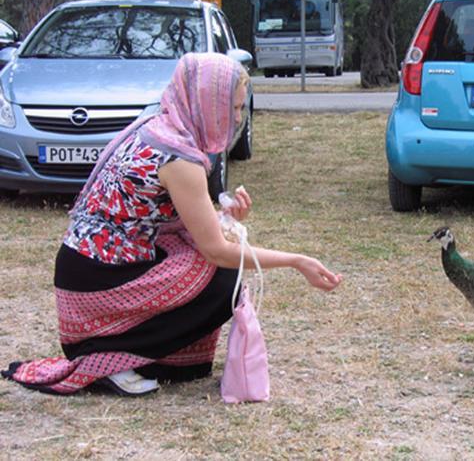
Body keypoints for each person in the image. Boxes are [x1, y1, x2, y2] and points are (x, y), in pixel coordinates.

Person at [1, 53, 343, 396]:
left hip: (82, 274)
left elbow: (164, 216)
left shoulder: (156, 127)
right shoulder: (178, 158)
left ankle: (138, 354)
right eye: (233, 108)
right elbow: (217, 250)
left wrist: (225, 217)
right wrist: (297, 261)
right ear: (208, 103)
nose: (237, 118)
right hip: (96, 283)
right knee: (225, 276)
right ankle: (107, 355)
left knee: (210, 262)